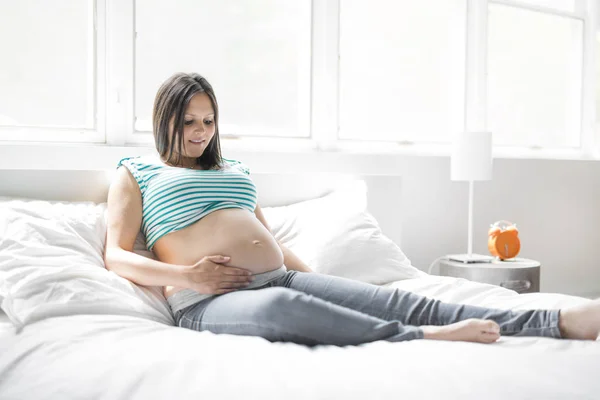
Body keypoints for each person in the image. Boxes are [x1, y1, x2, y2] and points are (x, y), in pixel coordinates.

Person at [104, 72, 600, 346]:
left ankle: (555, 322)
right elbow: (116, 256)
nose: (201, 130)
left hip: (280, 277)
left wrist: (330, 287)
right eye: (189, 120)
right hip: (206, 301)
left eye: (209, 120)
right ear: (164, 119)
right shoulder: (137, 172)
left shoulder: (232, 169)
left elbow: (265, 238)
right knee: (286, 309)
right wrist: (191, 277)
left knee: (389, 297)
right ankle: (427, 336)